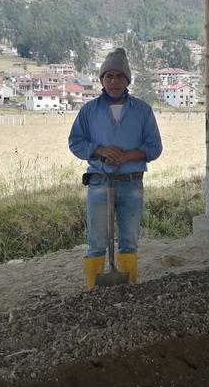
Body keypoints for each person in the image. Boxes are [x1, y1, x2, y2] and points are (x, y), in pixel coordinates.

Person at [69, 48, 162, 290]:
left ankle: (128, 286)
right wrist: (99, 150)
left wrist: (128, 156)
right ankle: (95, 289)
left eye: (120, 76)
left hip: (132, 183)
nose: (114, 81)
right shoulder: (89, 111)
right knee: (96, 241)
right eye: (108, 76)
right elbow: (75, 142)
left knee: (129, 241)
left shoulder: (143, 110)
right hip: (99, 183)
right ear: (101, 80)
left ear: (127, 80)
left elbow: (154, 147)